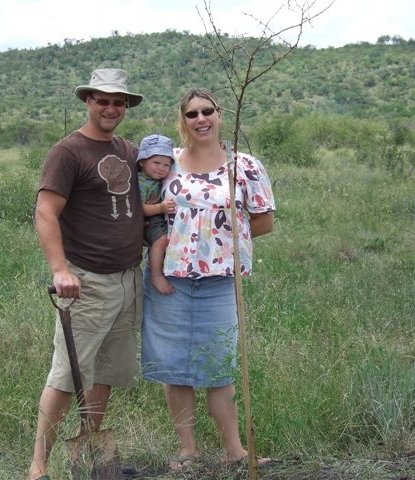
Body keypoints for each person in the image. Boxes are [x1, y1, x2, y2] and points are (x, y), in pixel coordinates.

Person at [140, 88, 276, 471]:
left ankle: (236, 451)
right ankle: (188, 450)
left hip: (220, 282)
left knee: (220, 368)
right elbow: (144, 209)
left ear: (219, 114)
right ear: (182, 121)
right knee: (175, 368)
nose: (200, 119)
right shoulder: (168, 164)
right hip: (170, 281)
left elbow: (264, 220)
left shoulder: (244, 166)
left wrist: (216, 241)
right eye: (192, 114)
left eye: (207, 111)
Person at [29, 68, 144, 480]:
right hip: (86, 282)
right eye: (103, 101)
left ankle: (90, 455)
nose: (111, 108)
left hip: (129, 279)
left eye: (119, 102)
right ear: (88, 101)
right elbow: (46, 212)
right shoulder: (68, 152)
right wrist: (60, 270)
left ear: (126, 106)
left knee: (105, 374)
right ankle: (38, 467)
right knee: (66, 375)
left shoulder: (129, 151)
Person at [137, 134, 176, 295]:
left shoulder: (156, 180)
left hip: (157, 217)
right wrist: (160, 208)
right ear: (142, 162)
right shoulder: (141, 182)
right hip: (147, 219)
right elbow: (138, 208)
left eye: (166, 165)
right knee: (160, 240)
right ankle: (156, 274)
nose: (162, 168)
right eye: (156, 163)